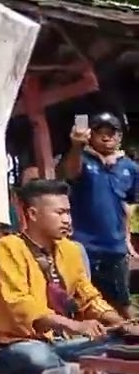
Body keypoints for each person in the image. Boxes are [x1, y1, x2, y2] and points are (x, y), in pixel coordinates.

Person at [0, 179, 136, 374]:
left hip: (60, 343)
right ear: (33, 214)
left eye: (68, 212)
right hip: (16, 342)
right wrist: (74, 326)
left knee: (123, 341)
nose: (67, 220)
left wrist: (121, 323)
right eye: (59, 213)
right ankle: (84, 370)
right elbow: (21, 305)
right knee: (37, 357)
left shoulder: (71, 249)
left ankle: (87, 368)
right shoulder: (8, 247)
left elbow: (88, 297)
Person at [59, 112, 138, 315]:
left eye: (111, 133)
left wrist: (127, 239)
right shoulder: (82, 160)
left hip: (115, 245)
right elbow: (69, 174)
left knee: (121, 301)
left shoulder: (130, 167)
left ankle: (128, 338)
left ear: (119, 137)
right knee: (83, 301)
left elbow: (130, 206)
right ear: (90, 135)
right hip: (83, 245)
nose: (105, 137)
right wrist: (76, 146)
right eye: (99, 132)